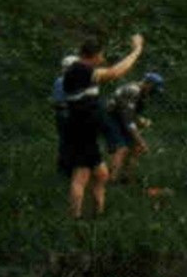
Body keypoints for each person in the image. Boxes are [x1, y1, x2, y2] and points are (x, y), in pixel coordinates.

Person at [59, 34, 145, 220]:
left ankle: (98, 214)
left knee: (101, 174)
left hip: (85, 131)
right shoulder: (80, 70)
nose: (103, 59)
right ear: (94, 55)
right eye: (101, 55)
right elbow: (115, 72)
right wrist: (136, 50)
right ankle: (75, 219)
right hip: (81, 131)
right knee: (81, 177)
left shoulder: (80, 70)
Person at [107, 72, 165, 183]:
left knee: (136, 147)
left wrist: (140, 120)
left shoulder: (141, 93)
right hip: (111, 119)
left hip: (121, 118)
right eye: (153, 90)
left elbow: (130, 114)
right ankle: (111, 180)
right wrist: (141, 140)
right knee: (122, 148)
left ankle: (126, 178)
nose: (152, 94)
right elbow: (128, 121)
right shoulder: (133, 91)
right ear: (148, 84)